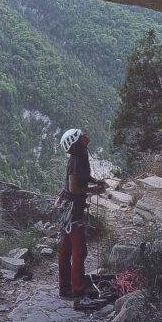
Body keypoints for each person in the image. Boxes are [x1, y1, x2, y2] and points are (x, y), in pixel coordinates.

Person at [57, 128, 106, 299]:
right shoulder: (76, 159)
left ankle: (65, 286)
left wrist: (95, 181)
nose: (85, 136)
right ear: (76, 142)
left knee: (66, 248)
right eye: (81, 135)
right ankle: (77, 288)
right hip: (73, 210)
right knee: (79, 250)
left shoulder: (81, 155)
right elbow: (73, 187)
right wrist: (93, 190)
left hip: (69, 208)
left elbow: (83, 177)